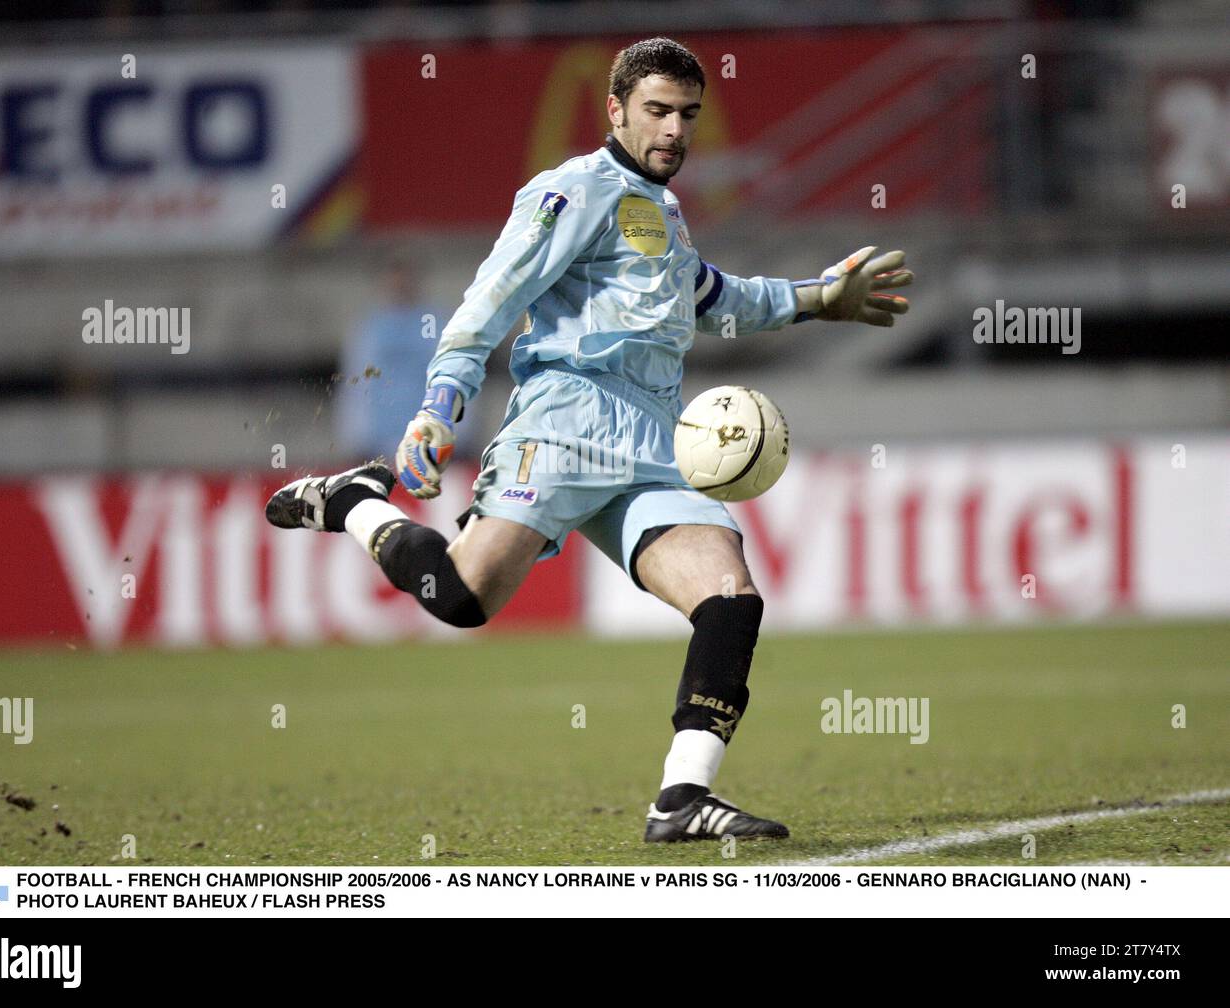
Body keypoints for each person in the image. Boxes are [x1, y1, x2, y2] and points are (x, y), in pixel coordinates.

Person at [266, 38, 912, 843]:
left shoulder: (664, 213)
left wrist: (820, 298)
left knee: (731, 599)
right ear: (615, 110)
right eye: (657, 112)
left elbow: (717, 298)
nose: (674, 130)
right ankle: (355, 503)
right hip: (565, 425)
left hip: (655, 445)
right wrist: (440, 405)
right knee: (462, 599)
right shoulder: (572, 189)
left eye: (687, 115)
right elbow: (492, 299)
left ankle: (681, 799)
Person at [334, 258, 446, 463]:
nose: (400, 286)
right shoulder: (369, 328)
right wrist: (354, 437)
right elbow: (355, 382)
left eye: (405, 280)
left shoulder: (436, 324)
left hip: (427, 440)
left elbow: (452, 378)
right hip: (377, 440)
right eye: (395, 280)